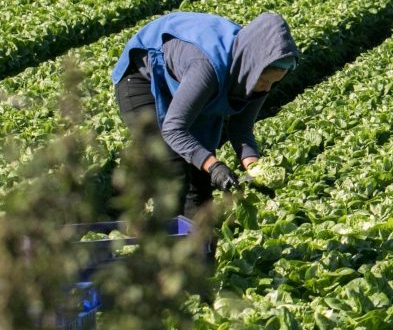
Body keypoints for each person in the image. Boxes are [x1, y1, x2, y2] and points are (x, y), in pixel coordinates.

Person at [112, 11, 300, 217]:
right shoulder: (207, 67)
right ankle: (150, 230)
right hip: (142, 77)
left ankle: (195, 245)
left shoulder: (255, 74)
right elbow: (174, 129)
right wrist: (215, 166)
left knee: (199, 188)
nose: (266, 89)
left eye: (273, 83)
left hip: (190, 85)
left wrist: (254, 169)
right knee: (172, 169)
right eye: (263, 81)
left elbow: (241, 129)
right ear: (252, 68)